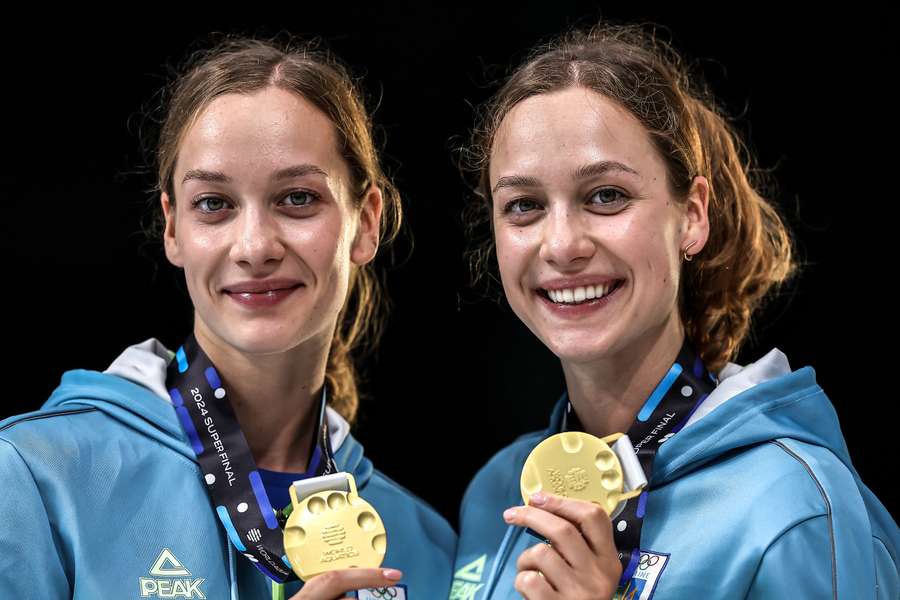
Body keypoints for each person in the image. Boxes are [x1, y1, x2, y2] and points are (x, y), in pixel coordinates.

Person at [450, 23, 899, 600]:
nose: (561, 245)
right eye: (524, 205)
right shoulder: (496, 495)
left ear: (691, 215)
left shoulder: (796, 504)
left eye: (606, 195)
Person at [0, 36, 455, 600]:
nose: (255, 246)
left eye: (297, 199)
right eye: (214, 204)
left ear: (365, 222)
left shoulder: (425, 544)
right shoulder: (35, 477)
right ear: (173, 228)